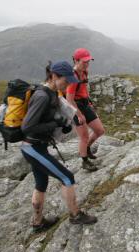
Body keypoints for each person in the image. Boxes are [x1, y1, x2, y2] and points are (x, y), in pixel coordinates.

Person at [21, 61, 97, 233]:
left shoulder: (52, 92)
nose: (69, 83)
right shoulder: (42, 96)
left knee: (41, 183)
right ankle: (76, 215)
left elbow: (44, 119)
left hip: (36, 147)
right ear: (54, 76)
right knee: (68, 178)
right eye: (66, 80)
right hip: (32, 148)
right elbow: (27, 127)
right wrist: (53, 123)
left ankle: (38, 222)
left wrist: (64, 123)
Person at [66, 48, 105, 172]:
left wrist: (88, 101)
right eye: (84, 62)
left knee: (99, 130)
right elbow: (69, 100)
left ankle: (87, 149)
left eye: (88, 61)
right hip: (75, 106)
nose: (87, 64)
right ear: (76, 61)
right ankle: (84, 161)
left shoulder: (84, 71)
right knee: (84, 136)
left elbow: (84, 87)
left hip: (84, 103)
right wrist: (79, 114)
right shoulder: (73, 77)